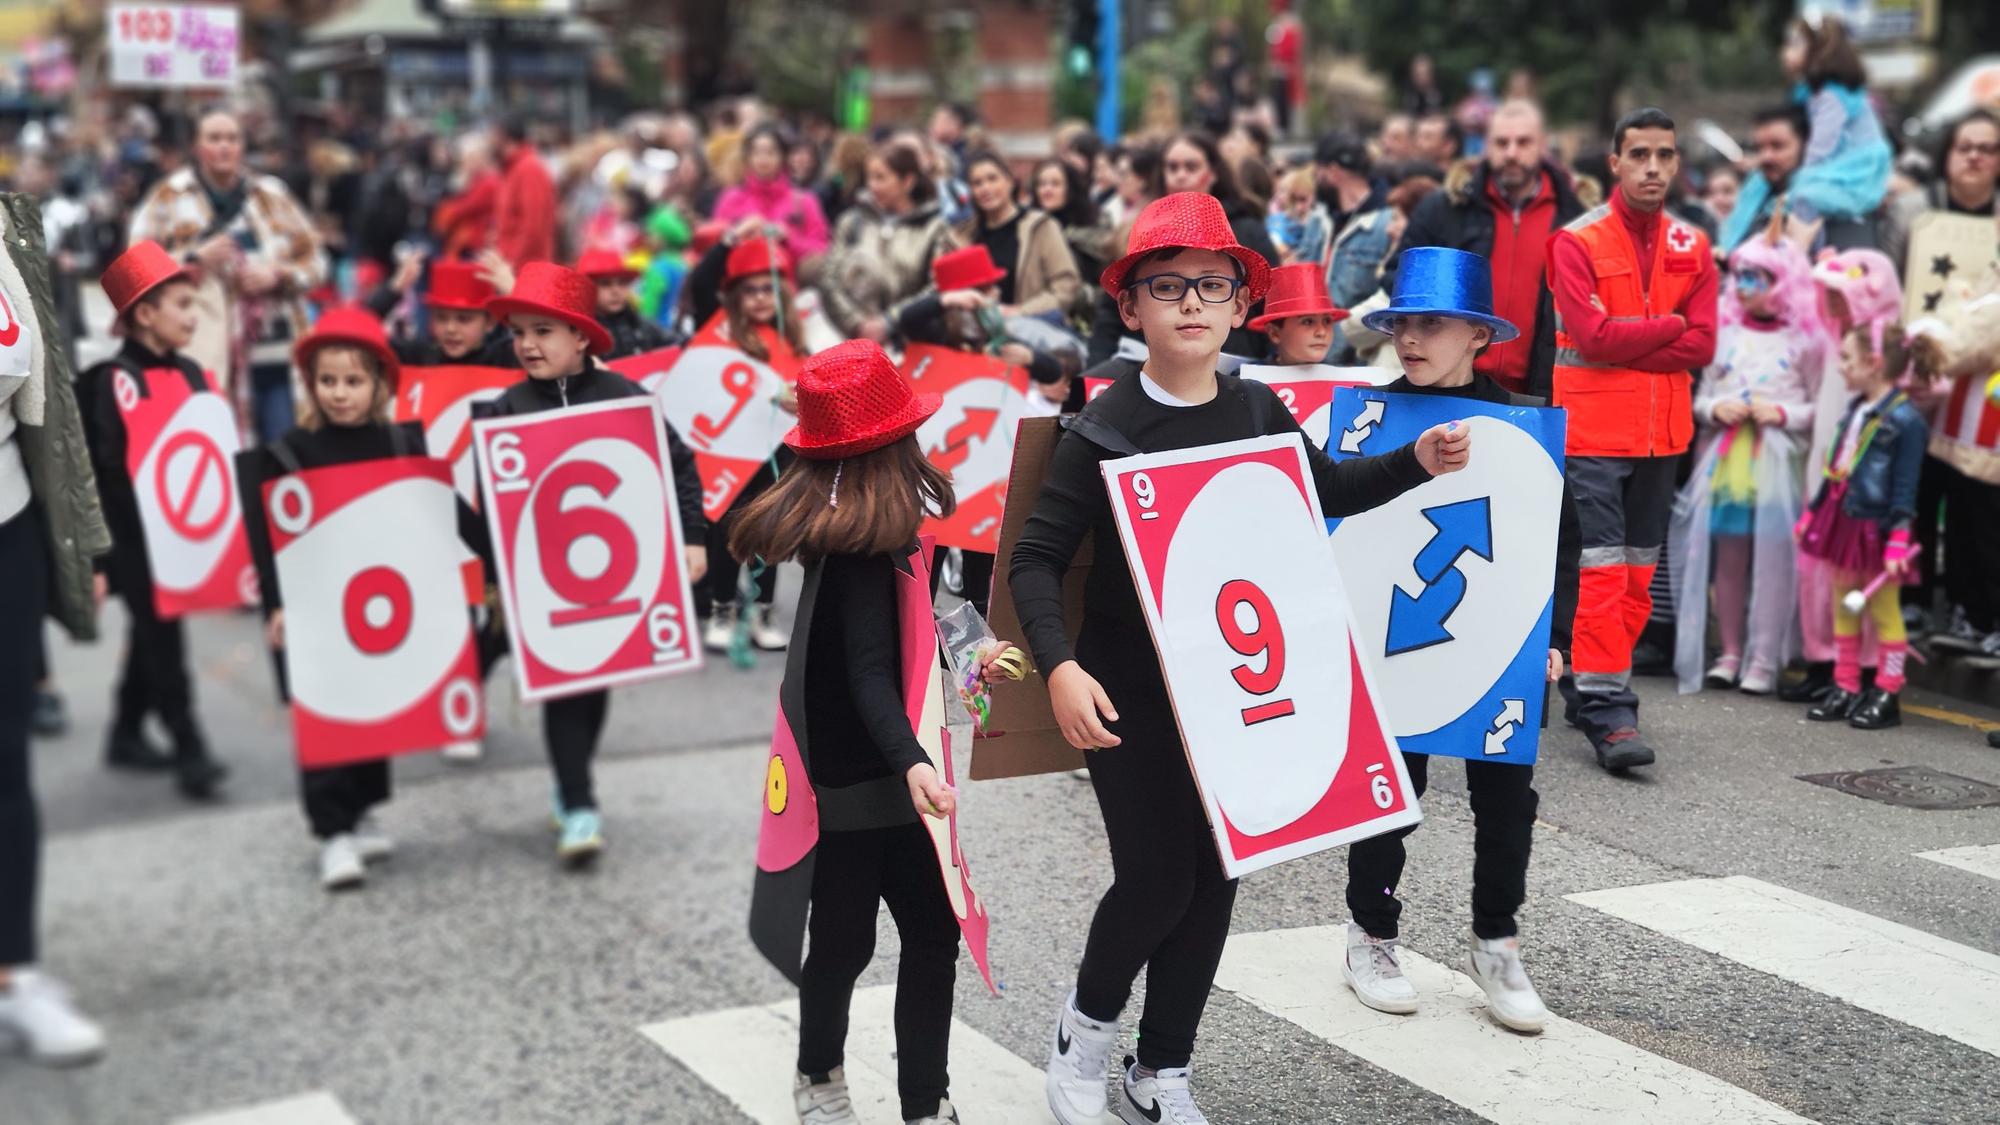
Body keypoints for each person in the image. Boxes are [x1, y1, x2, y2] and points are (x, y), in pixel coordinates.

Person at [1013, 192, 1470, 1125]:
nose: (1191, 301)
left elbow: (1328, 486)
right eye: (1167, 285)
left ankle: (1163, 1067)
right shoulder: (1102, 426)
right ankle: (1085, 1033)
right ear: (1132, 306)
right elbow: (1034, 559)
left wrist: (1415, 459)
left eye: (1211, 285)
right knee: (1155, 876)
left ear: (1238, 306)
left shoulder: (1259, 405)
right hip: (1128, 687)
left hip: (1231, 688)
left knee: (1219, 871)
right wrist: (1060, 665)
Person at [732, 339, 975, 1125]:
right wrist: (909, 760)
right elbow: (871, 673)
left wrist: (981, 653)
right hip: (855, 784)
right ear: (886, 453)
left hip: (887, 772)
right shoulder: (858, 556)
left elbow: (937, 613)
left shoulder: (887, 534)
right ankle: (819, 1072)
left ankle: (922, 1101)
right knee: (846, 943)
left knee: (924, 933)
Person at [1339, 246, 1577, 1036]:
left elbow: (1559, 538)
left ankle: (1495, 940)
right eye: (1401, 322)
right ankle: (1369, 932)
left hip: (1496, 638)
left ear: (1478, 335)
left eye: (1432, 323)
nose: (1411, 338)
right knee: (1389, 793)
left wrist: (1557, 633)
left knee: (1506, 798)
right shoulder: (1367, 421)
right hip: (1394, 640)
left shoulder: (1522, 428)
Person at [235, 309, 490, 889]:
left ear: (379, 383)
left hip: (383, 603)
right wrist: (275, 604)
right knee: (327, 712)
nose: (340, 394)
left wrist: (498, 555)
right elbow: (267, 536)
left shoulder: (401, 442)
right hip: (317, 607)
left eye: (353, 381)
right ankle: (331, 831)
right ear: (311, 384)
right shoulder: (290, 452)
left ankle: (364, 809)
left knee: (378, 702)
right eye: (327, 381)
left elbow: (445, 508)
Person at [479, 263, 709, 863]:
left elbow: (679, 465)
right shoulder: (506, 408)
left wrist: (691, 537)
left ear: (581, 337)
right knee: (565, 686)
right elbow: (493, 503)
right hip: (540, 582)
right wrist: (493, 575)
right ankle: (578, 802)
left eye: (543, 331)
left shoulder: (624, 398)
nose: (527, 344)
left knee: (594, 681)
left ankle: (572, 782)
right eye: (519, 331)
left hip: (612, 580)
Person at [1547, 107, 1718, 772]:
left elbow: (1704, 343)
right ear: (1614, 163)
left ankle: (1586, 677)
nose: (1653, 166)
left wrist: (1640, 335)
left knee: (1639, 575)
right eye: (1639, 154)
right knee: (1602, 572)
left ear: (1677, 164)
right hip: (1591, 431)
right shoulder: (1576, 241)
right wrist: (1670, 328)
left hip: (1661, 434)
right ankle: (1607, 708)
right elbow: (1591, 339)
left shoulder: (1692, 246)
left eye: (1664, 155)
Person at [0, 186, 116, 1067]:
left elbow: (48, 399)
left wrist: (81, 536)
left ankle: (15, 972)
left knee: (4, 760)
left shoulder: (8, 225)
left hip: (7, 527)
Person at [79, 241, 229, 799]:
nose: (193, 316)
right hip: (133, 539)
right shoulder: (110, 383)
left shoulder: (192, 374)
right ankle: (190, 746)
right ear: (144, 314)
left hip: (186, 534)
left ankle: (124, 730)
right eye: (182, 304)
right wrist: (96, 559)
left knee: (153, 631)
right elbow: (99, 476)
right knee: (163, 635)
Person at [1669, 234, 1821, 696]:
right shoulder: (1725, 333)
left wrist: (1783, 414)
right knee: (1730, 560)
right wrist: (1715, 409)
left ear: (1784, 282)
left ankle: (1763, 657)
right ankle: (1731, 650)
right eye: (1742, 275)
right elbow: (1699, 395)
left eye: (1759, 277)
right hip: (1728, 463)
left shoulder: (1805, 342)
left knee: (1774, 561)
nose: (1747, 285)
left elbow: (1821, 407)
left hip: (1778, 464)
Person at [127, 108, 327, 443]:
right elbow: (131, 273)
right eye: (214, 138)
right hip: (206, 360)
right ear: (197, 146)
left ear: (243, 146)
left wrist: (277, 275)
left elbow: (319, 262)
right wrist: (192, 258)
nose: (224, 147)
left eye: (232, 139)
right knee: (224, 464)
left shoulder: (271, 195)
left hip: (276, 357)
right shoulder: (168, 197)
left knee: (282, 460)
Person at [896, 244, 1066, 616]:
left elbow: (1053, 373)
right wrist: (947, 300)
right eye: (985, 290)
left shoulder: (998, 340)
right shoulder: (933, 336)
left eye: (992, 290)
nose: (993, 298)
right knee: (927, 562)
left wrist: (1031, 359)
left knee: (980, 572)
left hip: (983, 477)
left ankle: (975, 654)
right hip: (933, 472)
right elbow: (906, 319)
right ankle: (917, 639)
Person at [1395, 100, 1585, 398]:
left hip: (1539, 390)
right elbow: (1399, 279)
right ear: (1486, 146)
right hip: (1450, 384)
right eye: (1501, 142)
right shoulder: (1445, 208)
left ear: (1542, 145)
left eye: (1523, 142)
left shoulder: (1575, 218)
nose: (1511, 153)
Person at [1799, 323, 1928, 730]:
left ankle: (1888, 691)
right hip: (1844, 520)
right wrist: (1813, 511)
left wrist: (1898, 540)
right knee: (1844, 602)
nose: (1841, 367)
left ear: (1874, 364)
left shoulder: (1907, 421)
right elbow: (1837, 466)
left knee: (1884, 609)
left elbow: (1906, 488)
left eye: (1847, 359)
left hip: (1879, 529)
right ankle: (1846, 685)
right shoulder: (1856, 409)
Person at [699, 238, 806, 655]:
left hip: (779, 453)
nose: (761, 298)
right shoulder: (722, 338)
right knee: (729, 529)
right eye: (752, 290)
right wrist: (729, 241)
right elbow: (702, 282)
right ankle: (723, 607)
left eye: (769, 289)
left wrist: (801, 401)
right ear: (735, 297)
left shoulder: (794, 340)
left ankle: (762, 609)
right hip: (730, 451)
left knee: (771, 530)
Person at [1721, 15, 1891, 253]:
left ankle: (1804, 251)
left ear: (1819, 51)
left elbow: (1821, 146)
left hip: (1854, 167)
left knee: (1804, 197)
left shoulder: (1831, 96)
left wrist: (1804, 175)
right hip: (1838, 165)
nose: (1785, 52)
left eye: (1795, 44)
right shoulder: (1811, 93)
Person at [1152, 131, 1283, 358]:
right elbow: (1113, 314)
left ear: (1213, 174)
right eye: (1172, 168)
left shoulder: (1246, 230)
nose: (1180, 176)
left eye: (1191, 167)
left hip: (1236, 364)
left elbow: (1274, 306)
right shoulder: (1145, 230)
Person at [820, 142, 959, 344]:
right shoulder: (852, 222)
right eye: (869, 177)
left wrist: (891, 321)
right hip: (851, 342)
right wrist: (856, 323)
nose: (872, 186)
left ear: (908, 181)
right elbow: (829, 278)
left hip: (912, 345)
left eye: (881, 178)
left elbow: (938, 286)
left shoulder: (934, 228)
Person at [956, 150, 1082, 321]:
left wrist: (1019, 312)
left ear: (1010, 182)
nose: (985, 188)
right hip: (977, 331)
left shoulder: (1041, 227)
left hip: (1031, 330)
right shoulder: (963, 235)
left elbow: (1065, 287)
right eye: (977, 183)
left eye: (992, 179)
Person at [1880, 109, 1999, 282]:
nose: (1973, 156)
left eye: (1986, 149)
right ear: (1947, 154)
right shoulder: (1908, 211)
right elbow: (1884, 281)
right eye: (1963, 148)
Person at [712, 123, 832, 272]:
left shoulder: (804, 201)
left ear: (784, 157)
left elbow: (822, 249)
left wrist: (787, 238)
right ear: (747, 158)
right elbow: (714, 247)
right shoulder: (731, 198)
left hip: (789, 283)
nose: (763, 159)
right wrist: (740, 234)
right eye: (756, 153)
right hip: (740, 281)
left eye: (771, 152)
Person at [1030, 157, 1104, 313]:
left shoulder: (1093, 225)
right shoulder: (1029, 226)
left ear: (1070, 189)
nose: (1047, 190)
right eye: (1042, 184)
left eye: (1055, 184)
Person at [576, 248, 678, 359]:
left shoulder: (639, 323)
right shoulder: (578, 332)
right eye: (605, 284)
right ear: (586, 288)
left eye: (622, 283)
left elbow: (676, 343)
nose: (616, 291)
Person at [492, 117, 557, 269]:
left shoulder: (529, 169)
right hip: (511, 268)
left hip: (524, 272)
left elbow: (533, 228)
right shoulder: (513, 169)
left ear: (503, 136)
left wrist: (513, 265)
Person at [1251, 262, 1347, 364]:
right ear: (1275, 333)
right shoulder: (1247, 376)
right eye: (1308, 322)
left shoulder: (1348, 378)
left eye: (1327, 321)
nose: (1321, 332)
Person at [1315, 130, 1387, 241]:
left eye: (1319, 169)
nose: (1316, 177)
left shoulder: (1387, 223)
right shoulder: (1321, 216)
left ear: (1333, 171)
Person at [1268, 168, 1334, 266]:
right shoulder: (1278, 221)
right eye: (1294, 200)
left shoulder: (1318, 220)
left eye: (1303, 200)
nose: (1299, 207)